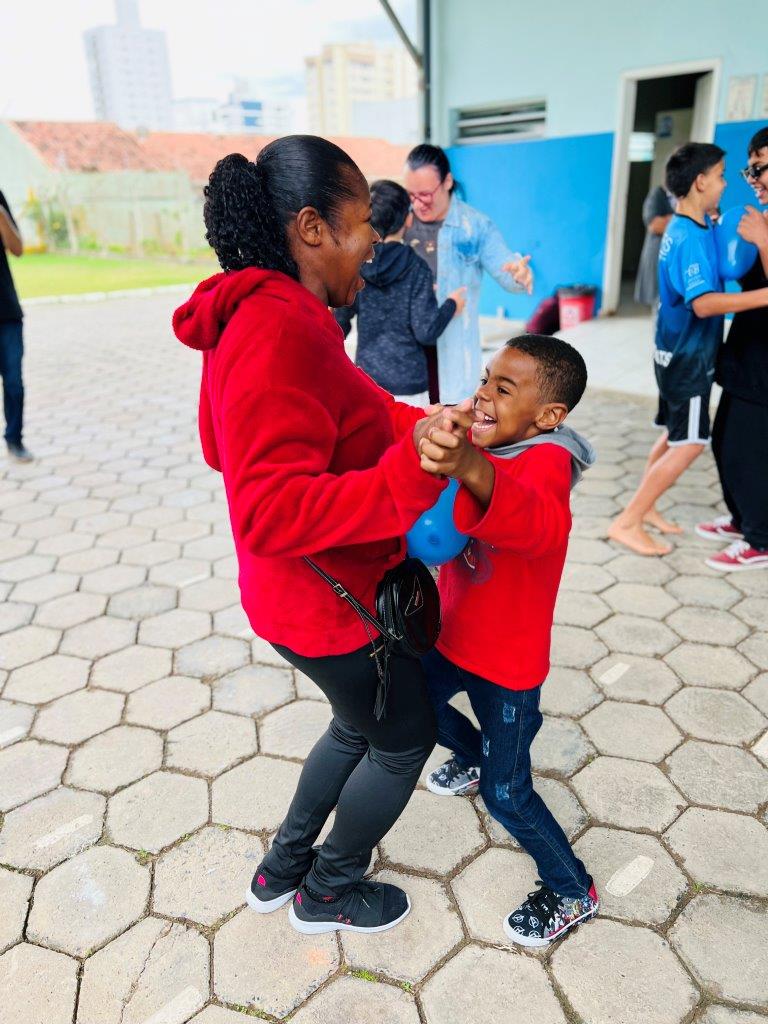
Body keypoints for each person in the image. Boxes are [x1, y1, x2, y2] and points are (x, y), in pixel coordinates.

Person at [173, 136, 475, 937]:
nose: (374, 242)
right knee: (402, 742)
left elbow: (327, 417)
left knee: (354, 723)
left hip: (294, 598)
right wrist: (408, 475)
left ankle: (282, 869)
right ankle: (328, 891)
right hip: (329, 607)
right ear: (312, 227)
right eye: (362, 223)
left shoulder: (264, 311)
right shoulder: (277, 327)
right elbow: (267, 510)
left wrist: (426, 424)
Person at [417, 334, 599, 947]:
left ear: (548, 416)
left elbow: (538, 524)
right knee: (413, 707)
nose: (483, 395)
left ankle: (572, 889)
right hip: (452, 635)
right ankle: (472, 755)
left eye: (503, 388)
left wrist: (469, 466)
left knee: (507, 793)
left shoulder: (547, 460)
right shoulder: (490, 442)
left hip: (507, 667)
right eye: (484, 379)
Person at [608, 142, 768, 556]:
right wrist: (763, 296)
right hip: (688, 360)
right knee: (691, 442)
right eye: (720, 176)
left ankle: (646, 509)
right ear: (700, 182)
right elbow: (704, 304)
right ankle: (628, 520)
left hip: (672, 353)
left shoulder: (690, 226)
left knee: (674, 434)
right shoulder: (689, 238)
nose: (726, 183)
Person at [403, 143, 533, 404]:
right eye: (411, 195)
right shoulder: (399, 222)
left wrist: (520, 274)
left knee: (450, 418)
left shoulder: (475, 226)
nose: (417, 203)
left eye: (425, 194)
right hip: (406, 354)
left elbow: (508, 272)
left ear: (447, 181)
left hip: (452, 352)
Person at [697, 126, 768, 571]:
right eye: (750, 169)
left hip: (765, 365)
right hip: (747, 349)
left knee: (749, 450)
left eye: (760, 168)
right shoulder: (761, 216)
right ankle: (743, 518)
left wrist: (763, 239)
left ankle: (760, 538)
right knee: (724, 440)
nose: (753, 178)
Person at [335, 179, 466, 405]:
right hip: (410, 388)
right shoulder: (417, 268)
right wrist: (451, 305)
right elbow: (426, 331)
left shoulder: (356, 265)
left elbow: (339, 325)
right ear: (408, 218)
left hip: (367, 383)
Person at [0, 188, 32, 462]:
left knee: (13, 383)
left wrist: (0, 215)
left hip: (6, 311)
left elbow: (18, 249)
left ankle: (14, 439)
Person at [634, 184, 675, 306]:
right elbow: (655, 225)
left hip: (675, 263)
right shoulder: (657, 195)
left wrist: (669, 219)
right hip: (658, 257)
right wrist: (680, 218)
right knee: (659, 304)